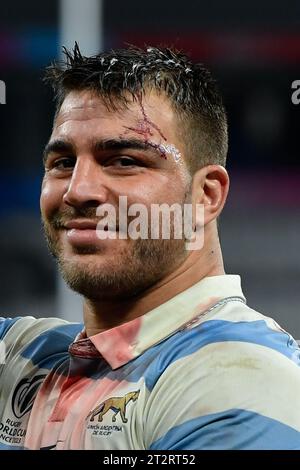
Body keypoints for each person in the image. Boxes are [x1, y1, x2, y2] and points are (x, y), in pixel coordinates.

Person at [1, 44, 300, 451]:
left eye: (123, 161)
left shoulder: (239, 375)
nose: (77, 190)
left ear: (205, 196)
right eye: (63, 162)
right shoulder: (21, 356)